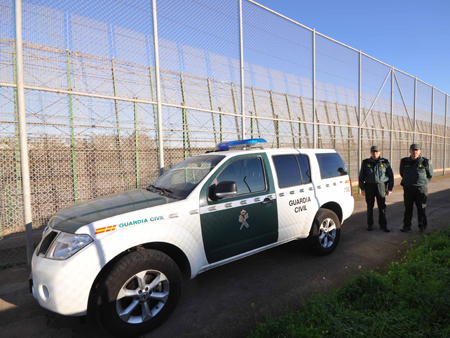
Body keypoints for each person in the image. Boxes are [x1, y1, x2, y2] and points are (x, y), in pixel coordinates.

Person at [358, 145, 394, 232]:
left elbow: (390, 176)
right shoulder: (366, 162)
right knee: (370, 206)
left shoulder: (385, 162)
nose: (375, 153)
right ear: (370, 152)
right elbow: (361, 176)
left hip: (381, 186)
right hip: (369, 186)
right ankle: (370, 224)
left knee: (382, 206)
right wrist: (362, 188)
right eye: (373, 152)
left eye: (377, 152)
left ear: (379, 152)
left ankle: (383, 225)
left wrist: (390, 188)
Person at [400, 143, 433, 233]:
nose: (415, 152)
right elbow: (402, 173)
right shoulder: (404, 161)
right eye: (413, 150)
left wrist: (422, 183)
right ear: (410, 151)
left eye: (416, 150)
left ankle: (422, 228)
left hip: (421, 189)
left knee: (421, 208)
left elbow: (430, 175)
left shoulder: (425, 161)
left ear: (420, 151)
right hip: (408, 188)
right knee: (408, 208)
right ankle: (406, 226)